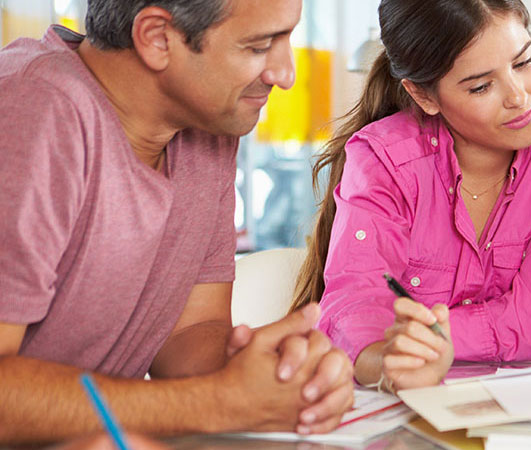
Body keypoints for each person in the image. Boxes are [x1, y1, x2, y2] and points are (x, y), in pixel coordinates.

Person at [0, 0, 354, 443]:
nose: (286, 75)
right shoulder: (31, 112)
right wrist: (216, 402)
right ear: (157, 38)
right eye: (260, 46)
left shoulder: (208, 125)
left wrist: (277, 377)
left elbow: (190, 333)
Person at [290, 0, 531, 391]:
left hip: (516, 398)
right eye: (481, 86)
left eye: (524, 62)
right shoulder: (384, 158)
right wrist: (392, 361)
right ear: (425, 97)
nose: (519, 97)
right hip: (403, 404)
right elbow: (355, 311)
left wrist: (424, 338)